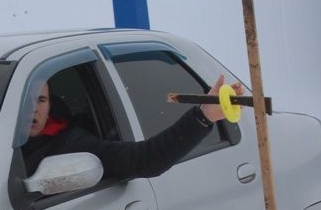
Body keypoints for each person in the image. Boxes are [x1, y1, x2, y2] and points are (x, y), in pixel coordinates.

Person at [22, 74, 246, 178]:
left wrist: (203, 116)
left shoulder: (70, 143)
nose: (33, 108)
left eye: (41, 100)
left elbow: (144, 159)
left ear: (51, 105)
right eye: (25, 101)